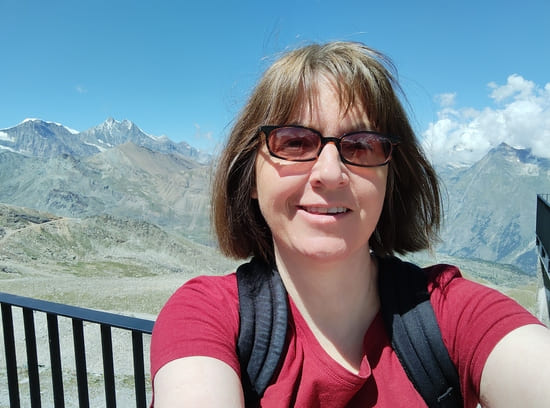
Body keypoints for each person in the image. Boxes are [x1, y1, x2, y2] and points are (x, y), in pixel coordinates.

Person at [150, 41, 550, 407]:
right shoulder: (207, 316)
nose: (329, 173)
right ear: (250, 178)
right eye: (293, 141)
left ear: (389, 179)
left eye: (361, 145)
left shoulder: (453, 312)